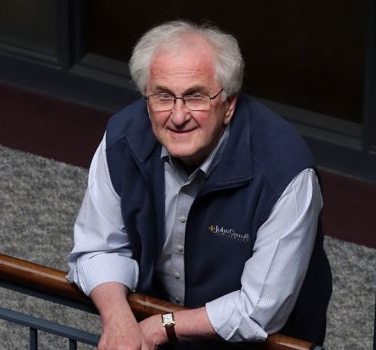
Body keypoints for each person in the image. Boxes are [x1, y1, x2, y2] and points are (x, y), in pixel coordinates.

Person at [67, 20, 332, 350]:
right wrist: (119, 318)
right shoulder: (122, 138)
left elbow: (258, 310)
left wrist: (159, 327)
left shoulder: (285, 172)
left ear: (229, 105)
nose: (178, 116)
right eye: (163, 96)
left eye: (195, 97)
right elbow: (97, 248)